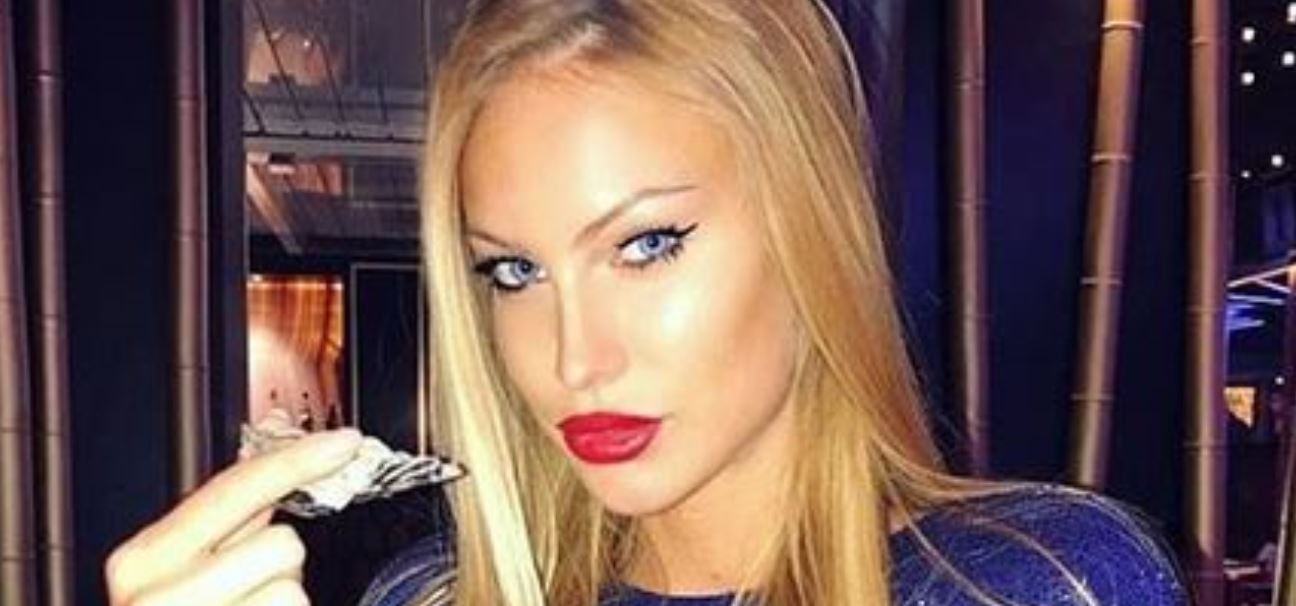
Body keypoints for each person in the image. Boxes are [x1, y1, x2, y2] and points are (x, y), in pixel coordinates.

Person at [106, 1, 1188, 604]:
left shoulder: (1032, 585)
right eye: (514, 273)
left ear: (813, 231)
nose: (575, 360)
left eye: (647, 245)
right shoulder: (433, 596)